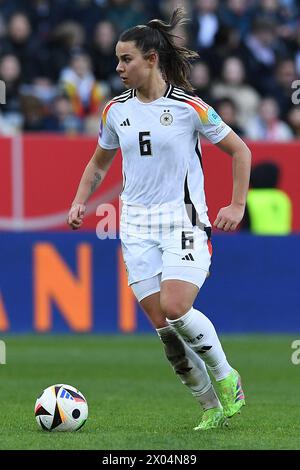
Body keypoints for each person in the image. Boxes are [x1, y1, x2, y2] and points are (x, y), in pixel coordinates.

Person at [67, 8, 251, 431]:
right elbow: (98, 164)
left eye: (126, 59)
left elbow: (241, 152)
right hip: (134, 227)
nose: (118, 67)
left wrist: (236, 205)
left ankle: (226, 377)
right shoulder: (115, 111)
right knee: (164, 331)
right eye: (116, 59)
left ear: (151, 59)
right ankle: (209, 407)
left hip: (183, 221)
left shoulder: (190, 107)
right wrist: (80, 201)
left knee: (175, 307)